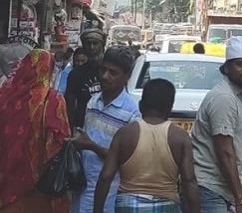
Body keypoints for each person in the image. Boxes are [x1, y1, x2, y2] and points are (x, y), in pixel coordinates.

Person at [93, 79, 200, 213]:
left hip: (128, 205)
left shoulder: (125, 134)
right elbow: (189, 181)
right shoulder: (180, 137)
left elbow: (106, 176)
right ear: (169, 108)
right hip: (167, 205)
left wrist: (97, 210)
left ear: (141, 105)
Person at [191, 37, 242, 213]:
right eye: (241, 64)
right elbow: (225, 152)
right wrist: (240, 198)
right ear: (227, 67)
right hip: (210, 189)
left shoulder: (239, 96)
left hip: (219, 190)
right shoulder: (224, 98)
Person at [0, 49, 71, 213]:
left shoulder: (6, 97)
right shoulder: (53, 99)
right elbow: (61, 139)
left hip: (8, 176)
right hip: (40, 183)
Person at [72, 46, 141, 213]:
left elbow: (127, 162)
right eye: (103, 70)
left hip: (108, 193)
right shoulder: (93, 102)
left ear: (127, 77)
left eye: (113, 73)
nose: (105, 76)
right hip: (82, 186)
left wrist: (91, 145)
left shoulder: (132, 113)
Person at [66, 28, 107, 128]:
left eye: (95, 43)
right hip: (83, 126)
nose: (91, 47)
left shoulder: (111, 71)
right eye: (88, 44)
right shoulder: (76, 74)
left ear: (102, 45)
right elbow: (69, 105)